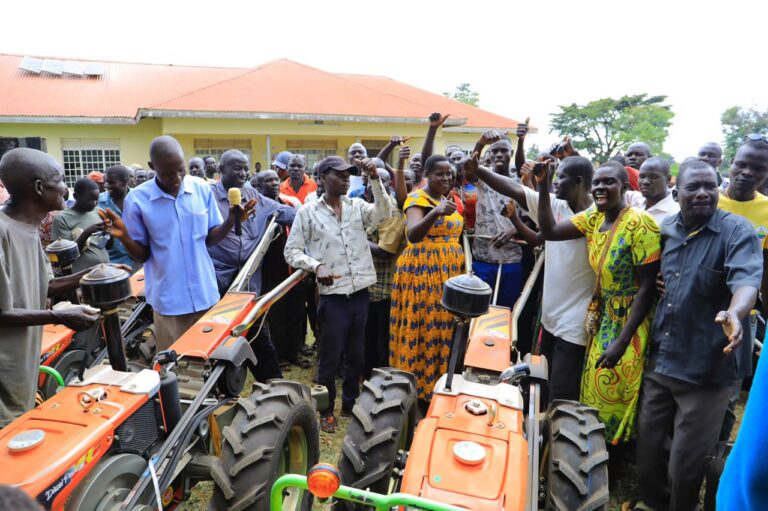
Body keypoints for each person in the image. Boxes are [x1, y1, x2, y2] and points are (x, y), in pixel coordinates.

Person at [633, 160, 761, 511]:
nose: (704, 193)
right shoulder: (667, 229)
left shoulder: (738, 232)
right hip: (663, 359)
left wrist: (735, 312)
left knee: (685, 466)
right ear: (677, 194)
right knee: (647, 452)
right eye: (694, 187)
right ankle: (655, 503)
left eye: (710, 186)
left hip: (708, 368)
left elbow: (746, 281)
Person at [537, 161, 660, 445]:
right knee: (593, 387)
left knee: (617, 388)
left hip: (630, 319)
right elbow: (551, 231)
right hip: (603, 317)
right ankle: (588, 450)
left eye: (609, 182)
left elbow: (646, 289)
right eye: (597, 183)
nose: (601, 188)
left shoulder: (640, 223)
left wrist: (623, 341)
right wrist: (543, 187)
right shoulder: (594, 218)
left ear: (625, 187)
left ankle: (610, 459)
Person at [100, 136, 254, 351]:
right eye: (167, 173)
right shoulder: (137, 200)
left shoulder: (200, 188)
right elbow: (142, 256)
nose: (176, 178)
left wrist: (230, 220)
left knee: (207, 362)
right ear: (153, 167)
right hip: (169, 300)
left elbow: (209, 239)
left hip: (205, 293)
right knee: (174, 368)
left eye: (180, 170)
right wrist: (125, 236)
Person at [468, 155, 595, 402]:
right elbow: (515, 188)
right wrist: (480, 170)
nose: (556, 183)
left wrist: (545, 185)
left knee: (561, 393)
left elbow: (548, 232)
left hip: (575, 323)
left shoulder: (596, 215)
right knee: (541, 385)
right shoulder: (556, 206)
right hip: (550, 317)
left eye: (561, 178)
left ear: (579, 181)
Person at [285, 156, 390, 433]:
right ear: (321, 178)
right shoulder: (308, 213)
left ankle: (350, 404)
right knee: (330, 358)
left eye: (349, 175)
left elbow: (384, 213)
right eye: (339, 175)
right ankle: (326, 409)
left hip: (360, 294)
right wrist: (316, 266)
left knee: (357, 355)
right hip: (333, 298)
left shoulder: (356, 207)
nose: (346, 179)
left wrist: (375, 179)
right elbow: (291, 251)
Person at [0, 148, 100, 427]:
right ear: (39, 188)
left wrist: (90, 274)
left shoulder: (29, 228)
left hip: (21, 367)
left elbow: (47, 286)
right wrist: (59, 316)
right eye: (61, 180)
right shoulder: (2, 231)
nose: (66, 188)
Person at [208, 150, 294, 382]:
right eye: (236, 168)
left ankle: (273, 385)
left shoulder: (252, 194)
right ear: (221, 169)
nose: (243, 173)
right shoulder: (207, 196)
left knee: (255, 333)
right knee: (215, 337)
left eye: (245, 168)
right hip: (216, 280)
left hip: (248, 282)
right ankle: (216, 387)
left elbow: (286, 213)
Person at [390, 154, 464, 407]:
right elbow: (412, 235)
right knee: (422, 328)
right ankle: (415, 392)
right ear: (427, 176)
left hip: (448, 272)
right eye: (440, 174)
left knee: (442, 328)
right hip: (422, 273)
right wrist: (435, 213)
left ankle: (437, 384)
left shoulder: (448, 199)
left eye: (450, 174)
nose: (446, 178)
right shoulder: (417, 198)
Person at [715, 135, 768, 441]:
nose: (748, 172)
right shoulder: (708, 199)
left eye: (758, 168)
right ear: (731, 164)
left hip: (743, 313)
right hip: (698, 307)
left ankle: (717, 455)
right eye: (743, 164)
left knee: (729, 390)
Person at [253, 169, 309, 368]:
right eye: (268, 180)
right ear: (258, 187)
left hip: (292, 268)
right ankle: (280, 357)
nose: (274, 183)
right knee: (276, 316)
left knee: (296, 313)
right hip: (269, 269)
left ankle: (295, 352)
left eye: (276, 179)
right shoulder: (255, 207)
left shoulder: (290, 203)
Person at [464, 132, 524, 309]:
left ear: (511, 154)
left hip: (511, 259)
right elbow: (469, 170)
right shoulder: (482, 179)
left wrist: (513, 230)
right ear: (488, 156)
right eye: (494, 151)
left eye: (503, 151)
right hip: (483, 258)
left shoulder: (521, 184)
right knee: (478, 310)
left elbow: (532, 220)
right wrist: (480, 143)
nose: (498, 154)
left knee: (506, 311)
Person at [364, 168, 405, 378]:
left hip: (384, 290)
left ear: (388, 185)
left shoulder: (393, 212)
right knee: (367, 338)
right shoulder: (367, 209)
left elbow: (385, 252)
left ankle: (381, 381)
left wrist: (353, 238)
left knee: (382, 341)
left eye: (380, 181)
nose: (372, 185)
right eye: (368, 181)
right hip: (367, 288)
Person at [51, 178, 110, 273]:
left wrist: (109, 233)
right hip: (80, 276)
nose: (94, 203)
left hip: (104, 272)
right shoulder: (62, 218)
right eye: (90, 200)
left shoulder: (98, 211)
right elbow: (64, 256)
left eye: (96, 200)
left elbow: (105, 245)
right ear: (75, 196)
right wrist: (87, 233)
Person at [98, 165, 139, 272]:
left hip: (139, 260)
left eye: (111, 182)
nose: (106, 186)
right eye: (106, 182)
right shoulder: (98, 202)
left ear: (125, 182)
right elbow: (100, 239)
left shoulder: (139, 198)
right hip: (112, 263)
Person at [637, 156, 679, 223]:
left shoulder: (675, 213)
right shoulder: (635, 203)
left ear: (668, 179)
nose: (645, 182)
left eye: (653, 177)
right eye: (642, 176)